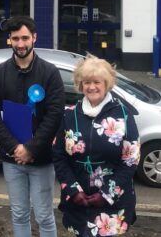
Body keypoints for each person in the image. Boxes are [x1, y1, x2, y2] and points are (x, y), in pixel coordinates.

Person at [0, 16, 65, 237]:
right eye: (16, 38)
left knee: (44, 215)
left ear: (34, 38)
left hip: (41, 159)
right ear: (9, 39)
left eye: (25, 38)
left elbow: (54, 115)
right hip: (12, 160)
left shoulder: (50, 73)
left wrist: (31, 148)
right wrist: (14, 148)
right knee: (18, 214)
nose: (21, 43)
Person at [53, 54, 140, 237]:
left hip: (112, 202)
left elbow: (130, 160)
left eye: (97, 82)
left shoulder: (123, 116)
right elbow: (59, 156)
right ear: (80, 84)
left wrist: (106, 194)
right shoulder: (69, 116)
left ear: (106, 84)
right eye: (86, 82)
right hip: (79, 200)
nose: (91, 87)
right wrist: (73, 190)